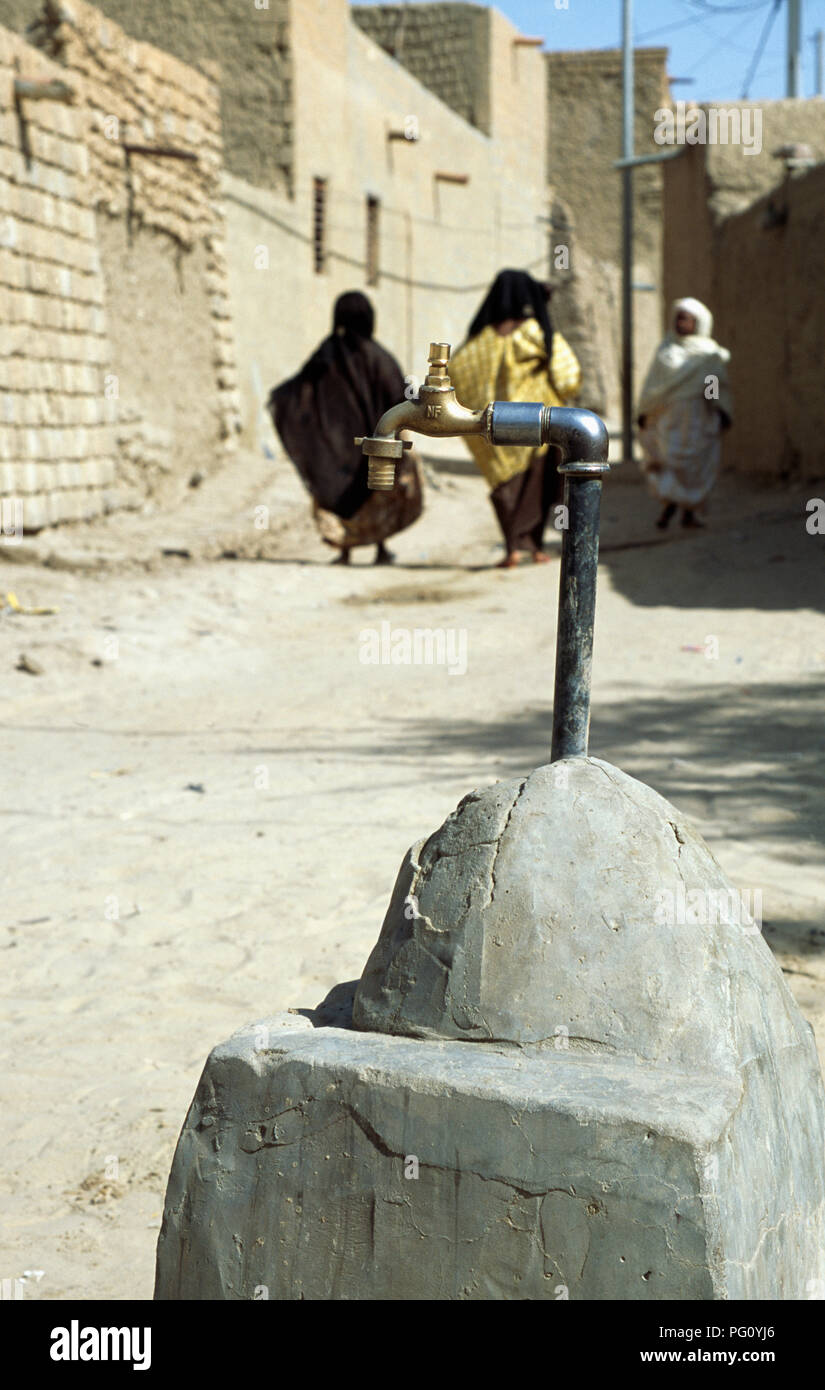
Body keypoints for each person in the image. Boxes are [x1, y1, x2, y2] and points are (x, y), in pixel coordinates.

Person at [268, 291, 422, 564]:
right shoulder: (379, 357)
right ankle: (381, 548)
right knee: (377, 494)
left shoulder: (326, 354)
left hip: (334, 445)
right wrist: (406, 440)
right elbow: (399, 398)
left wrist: (281, 404)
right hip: (373, 442)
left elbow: (301, 389)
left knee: (340, 491)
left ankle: (345, 550)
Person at [448, 268, 581, 567]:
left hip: (495, 430)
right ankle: (535, 547)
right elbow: (569, 375)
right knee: (539, 487)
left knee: (505, 487)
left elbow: (456, 375)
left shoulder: (479, 341)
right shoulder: (535, 333)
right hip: (535, 428)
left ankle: (512, 548)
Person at [637, 296, 732, 530]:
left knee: (694, 465)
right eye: (678, 317)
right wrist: (644, 411)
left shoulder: (708, 354)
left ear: (698, 322)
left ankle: (688, 513)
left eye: (686, 318)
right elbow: (653, 386)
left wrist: (719, 409)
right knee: (668, 461)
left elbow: (713, 387)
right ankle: (669, 507)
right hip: (668, 419)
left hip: (697, 417)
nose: (681, 322)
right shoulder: (666, 350)